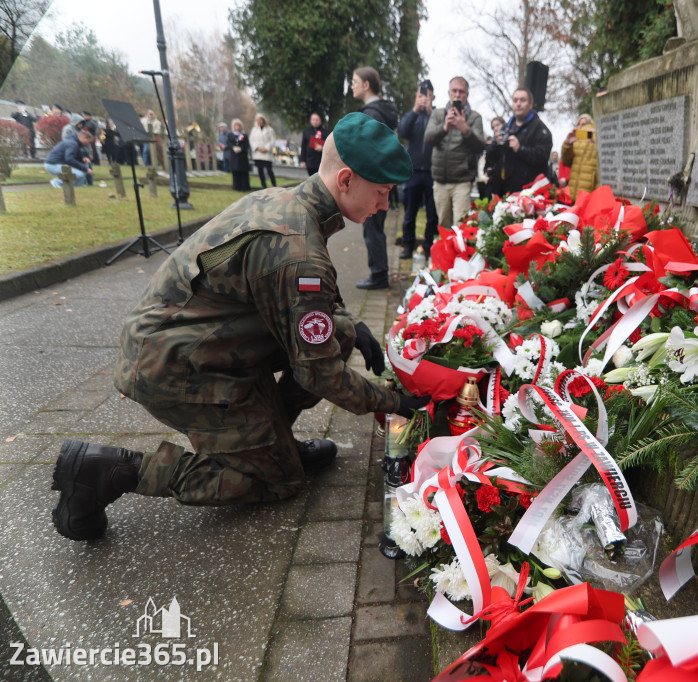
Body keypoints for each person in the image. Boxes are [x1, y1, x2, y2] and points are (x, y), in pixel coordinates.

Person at [50, 112, 430, 543]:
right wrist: (394, 401)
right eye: (382, 192)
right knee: (279, 480)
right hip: (174, 367)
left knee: (338, 333)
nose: (385, 204)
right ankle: (107, 470)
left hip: (189, 341)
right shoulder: (298, 251)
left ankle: (268, 440)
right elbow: (319, 374)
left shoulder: (286, 202)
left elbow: (310, 303)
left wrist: (351, 324)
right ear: (346, 180)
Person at [351, 66, 399, 290]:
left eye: (355, 81)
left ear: (366, 85)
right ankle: (379, 273)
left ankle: (379, 275)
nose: (352, 86)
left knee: (372, 229)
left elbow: (369, 150)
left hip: (373, 181)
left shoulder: (372, 114)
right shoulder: (380, 112)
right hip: (381, 179)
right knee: (375, 228)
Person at [424, 76, 486, 229]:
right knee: (444, 226)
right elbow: (428, 139)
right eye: (454, 91)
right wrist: (444, 127)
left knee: (461, 227)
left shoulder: (474, 117)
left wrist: (465, 129)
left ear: (467, 94)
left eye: (461, 91)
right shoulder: (438, 114)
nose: (457, 95)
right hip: (440, 181)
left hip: (462, 181)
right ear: (449, 92)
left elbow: (480, 146)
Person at [397, 79, 439, 259]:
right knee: (409, 212)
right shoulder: (411, 115)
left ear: (433, 97)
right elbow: (402, 132)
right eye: (421, 95)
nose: (423, 98)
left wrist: (430, 112)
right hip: (413, 171)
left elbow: (440, 135)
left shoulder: (437, 116)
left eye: (427, 95)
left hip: (432, 171)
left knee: (432, 214)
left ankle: (429, 247)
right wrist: (416, 109)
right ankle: (408, 245)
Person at [495, 88, 552, 194]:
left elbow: (543, 157)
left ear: (530, 104)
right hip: (506, 191)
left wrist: (520, 149)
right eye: (515, 100)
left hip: (530, 192)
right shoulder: (506, 128)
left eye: (522, 100)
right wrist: (495, 145)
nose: (518, 104)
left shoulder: (540, 129)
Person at [561, 114, 599, 199]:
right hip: (573, 191)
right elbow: (566, 162)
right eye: (579, 124)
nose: (581, 127)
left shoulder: (596, 137)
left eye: (584, 124)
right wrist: (567, 144)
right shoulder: (575, 140)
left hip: (589, 191)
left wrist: (597, 141)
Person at [250, 113, 277, 188]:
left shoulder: (270, 130)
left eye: (260, 120)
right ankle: (263, 185)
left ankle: (274, 185)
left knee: (269, 170)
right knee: (260, 170)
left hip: (266, 153)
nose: (259, 122)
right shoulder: (254, 130)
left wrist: (266, 148)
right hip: (258, 153)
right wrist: (257, 148)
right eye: (258, 120)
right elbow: (251, 140)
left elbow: (272, 140)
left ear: (263, 120)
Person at [226, 118, 251, 192]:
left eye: (239, 126)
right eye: (236, 126)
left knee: (243, 172)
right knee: (235, 172)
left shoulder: (244, 135)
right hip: (234, 156)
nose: (237, 127)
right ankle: (236, 187)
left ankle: (244, 187)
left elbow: (247, 145)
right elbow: (228, 143)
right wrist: (233, 147)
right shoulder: (230, 135)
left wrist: (241, 148)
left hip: (242, 156)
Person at [484, 117, 506, 199]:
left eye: (497, 125)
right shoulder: (492, 146)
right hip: (495, 184)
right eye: (493, 127)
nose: (495, 129)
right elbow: (487, 164)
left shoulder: (511, 140)